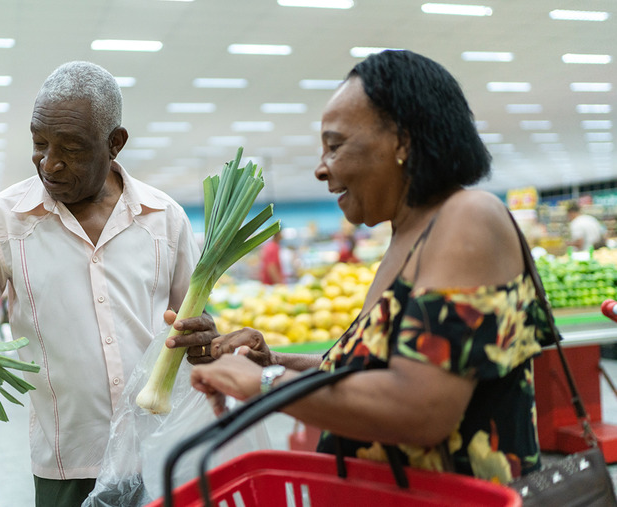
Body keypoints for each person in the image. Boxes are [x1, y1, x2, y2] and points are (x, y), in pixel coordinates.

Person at [172, 49, 553, 485]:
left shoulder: (468, 217)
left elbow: (421, 410)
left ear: (403, 141)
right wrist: (275, 361)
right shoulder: (407, 236)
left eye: (334, 146)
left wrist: (266, 383)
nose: (320, 168)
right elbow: (377, 374)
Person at [0, 61, 216, 507]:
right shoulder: (4, 220)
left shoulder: (165, 218)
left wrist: (205, 337)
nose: (49, 163)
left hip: (161, 448)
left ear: (115, 143)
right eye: (39, 143)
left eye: (72, 149)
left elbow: (198, 319)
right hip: (68, 463)